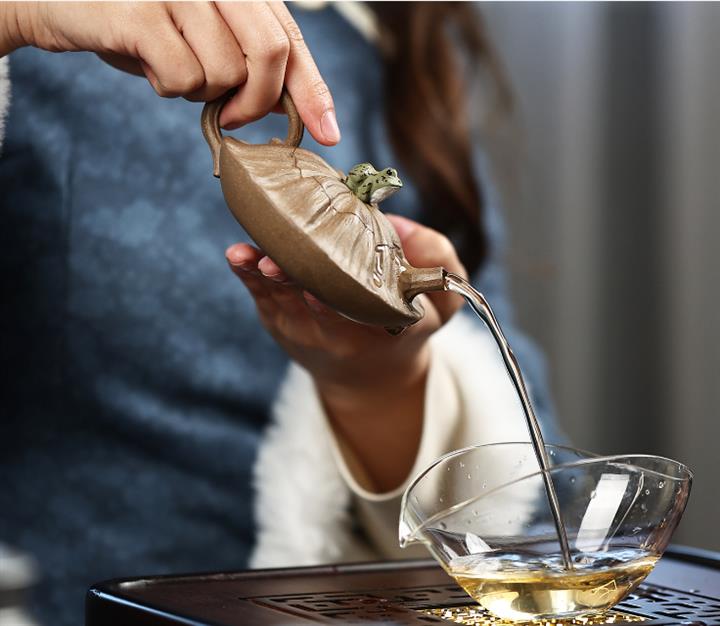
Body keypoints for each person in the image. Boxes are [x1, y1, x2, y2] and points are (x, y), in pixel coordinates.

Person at [0, 3, 561, 625]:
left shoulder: (393, 34)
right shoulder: (48, 40)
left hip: (332, 606)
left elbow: (528, 479)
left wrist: (377, 384)